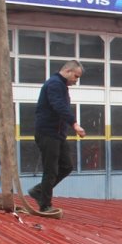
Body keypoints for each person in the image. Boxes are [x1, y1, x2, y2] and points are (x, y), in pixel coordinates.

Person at [28, 60, 86, 212]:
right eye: (76, 76)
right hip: (48, 134)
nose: (76, 80)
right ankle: (45, 205)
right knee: (51, 170)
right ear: (67, 71)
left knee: (66, 166)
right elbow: (58, 106)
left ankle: (39, 191)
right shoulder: (54, 84)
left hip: (58, 135)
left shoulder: (61, 86)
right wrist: (74, 124)